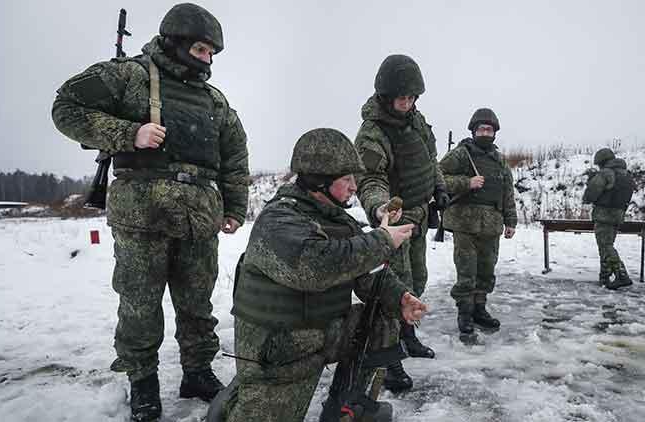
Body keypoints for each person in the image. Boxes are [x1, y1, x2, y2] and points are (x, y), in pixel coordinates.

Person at [51, 4, 250, 421]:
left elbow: (234, 157)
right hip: (142, 214)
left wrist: (234, 207)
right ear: (176, 42)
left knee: (197, 304)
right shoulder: (130, 76)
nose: (207, 59)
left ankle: (197, 371)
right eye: (200, 48)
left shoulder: (214, 100)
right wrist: (129, 133)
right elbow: (66, 107)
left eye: (212, 52)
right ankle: (142, 380)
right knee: (140, 304)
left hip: (199, 217)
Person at [209, 128, 426, 422]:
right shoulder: (279, 219)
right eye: (346, 179)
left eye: (354, 179)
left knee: (381, 315)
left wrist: (400, 297)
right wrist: (382, 240)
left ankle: (349, 409)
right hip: (279, 351)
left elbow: (365, 271)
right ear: (320, 182)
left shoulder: (336, 218)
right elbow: (315, 268)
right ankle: (242, 395)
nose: (354, 187)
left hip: (322, 330)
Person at [354, 54, 447, 391]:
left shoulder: (417, 122)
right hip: (395, 221)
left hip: (420, 215)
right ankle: (389, 360)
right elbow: (369, 179)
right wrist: (381, 209)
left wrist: (440, 188)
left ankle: (407, 334)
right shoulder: (372, 133)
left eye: (412, 98)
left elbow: (430, 159)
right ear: (385, 96)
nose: (407, 104)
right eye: (401, 98)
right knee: (396, 288)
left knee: (417, 279)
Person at [438, 108, 517, 334]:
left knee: (486, 270)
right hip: (465, 222)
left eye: (489, 129)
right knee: (466, 269)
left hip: (492, 223)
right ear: (473, 131)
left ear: (495, 133)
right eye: (481, 128)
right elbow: (437, 176)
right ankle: (464, 312)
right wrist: (467, 182)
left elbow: (507, 192)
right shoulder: (462, 154)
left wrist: (510, 221)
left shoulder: (500, 161)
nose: (485, 132)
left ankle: (479, 309)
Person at [582, 148, 636, 290]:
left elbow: (592, 193)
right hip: (618, 214)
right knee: (606, 245)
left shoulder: (606, 173)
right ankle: (605, 275)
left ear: (601, 162)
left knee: (605, 245)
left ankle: (621, 274)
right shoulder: (625, 174)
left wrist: (589, 187)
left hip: (604, 214)